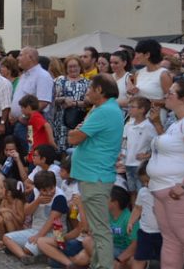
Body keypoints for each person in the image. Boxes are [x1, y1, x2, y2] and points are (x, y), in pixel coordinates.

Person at [69, 74, 125, 269]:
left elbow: (74, 138)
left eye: (90, 88)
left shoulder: (104, 111)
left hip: (95, 176)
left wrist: (74, 133)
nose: (87, 92)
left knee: (100, 230)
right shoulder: (106, 109)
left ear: (99, 90)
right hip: (94, 175)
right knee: (96, 228)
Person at [146, 80, 184, 269]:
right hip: (166, 191)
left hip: (181, 193)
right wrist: (158, 124)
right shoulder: (179, 122)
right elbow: (173, 150)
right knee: (171, 243)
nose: (167, 95)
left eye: (172, 93)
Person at [2, 170, 69, 265]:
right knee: (6, 238)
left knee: (28, 249)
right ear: (38, 189)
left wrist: (38, 236)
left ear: (55, 185)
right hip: (35, 229)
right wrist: (37, 201)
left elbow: (52, 221)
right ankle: (23, 257)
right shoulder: (35, 192)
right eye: (44, 190)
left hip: (55, 233)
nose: (49, 193)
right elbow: (26, 211)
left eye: (51, 188)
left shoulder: (59, 197)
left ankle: (23, 252)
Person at [10, 47, 54, 153]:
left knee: (31, 152)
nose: (18, 58)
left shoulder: (42, 76)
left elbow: (43, 102)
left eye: (21, 55)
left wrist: (25, 116)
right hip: (19, 123)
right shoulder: (24, 75)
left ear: (30, 58)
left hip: (31, 126)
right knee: (21, 155)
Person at [127, 160, 162, 269]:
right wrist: (131, 222)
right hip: (145, 232)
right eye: (143, 182)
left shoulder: (163, 193)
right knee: (139, 258)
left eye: (148, 181)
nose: (146, 184)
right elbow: (138, 208)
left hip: (162, 233)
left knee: (165, 258)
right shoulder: (143, 192)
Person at [128, 39, 172, 124]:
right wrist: (132, 93)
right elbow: (135, 97)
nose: (136, 56)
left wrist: (147, 102)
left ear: (147, 54)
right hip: (136, 117)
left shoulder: (163, 74)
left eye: (138, 53)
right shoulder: (138, 73)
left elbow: (169, 101)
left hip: (154, 119)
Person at [121, 97, 157, 197]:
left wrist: (147, 155)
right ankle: (134, 210)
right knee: (132, 191)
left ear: (142, 110)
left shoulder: (149, 126)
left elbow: (157, 144)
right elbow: (124, 141)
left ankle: (142, 211)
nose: (129, 109)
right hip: (128, 164)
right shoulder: (128, 125)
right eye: (129, 107)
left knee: (141, 191)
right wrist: (122, 156)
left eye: (132, 107)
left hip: (140, 165)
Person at [20, 95, 57, 164]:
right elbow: (30, 139)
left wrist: (51, 141)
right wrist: (29, 154)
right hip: (34, 152)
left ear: (28, 107)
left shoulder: (35, 116)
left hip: (40, 152)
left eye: (22, 107)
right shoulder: (31, 119)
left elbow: (47, 125)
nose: (21, 110)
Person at [107, 186, 138, 268]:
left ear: (115, 203)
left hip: (126, 251)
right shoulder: (106, 214)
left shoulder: (129, 218)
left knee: (134, 261)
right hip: (111, 248)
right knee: (87, 241)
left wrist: (119, 259)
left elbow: (135, 244)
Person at [0, 178, 26, 251]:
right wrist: (3, 211)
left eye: (2, 188)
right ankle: (2, 240)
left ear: (9, 193)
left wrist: (10, 212)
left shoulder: (18, 202)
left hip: (18, 229)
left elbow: (21, 221)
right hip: (8, 226)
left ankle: (13, 241)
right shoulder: (4, 201)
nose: (0, 190)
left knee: (6, 214)